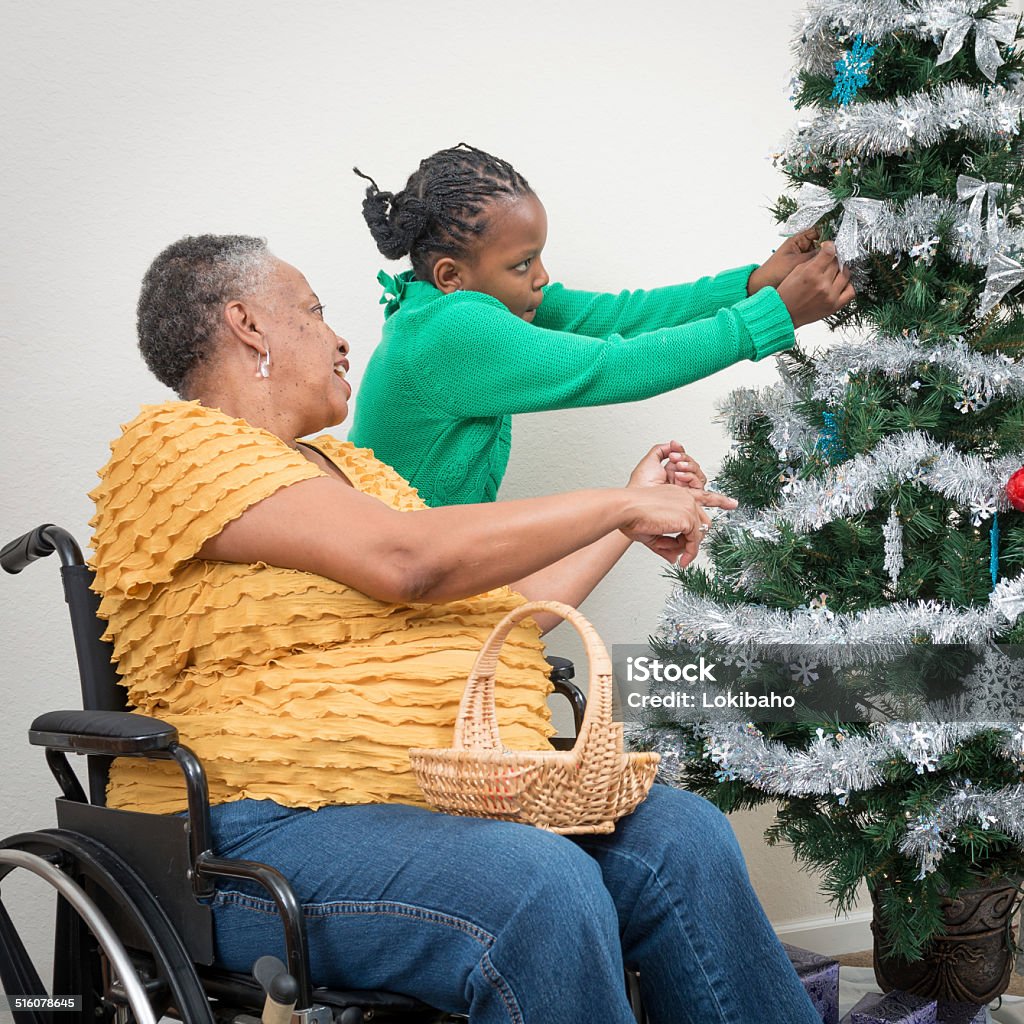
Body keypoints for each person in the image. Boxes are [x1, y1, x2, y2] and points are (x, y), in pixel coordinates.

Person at [90, 233, 822, 1024]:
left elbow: (495, 616)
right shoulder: (175, 450)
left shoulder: (359, 475)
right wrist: (618, 506)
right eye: (312, 311)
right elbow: (411, 562)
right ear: (248, 325)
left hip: (425, 795)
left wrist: (624, 520)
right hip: (247, 829)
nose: (340, 338)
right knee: (540, 885)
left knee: (682, 838)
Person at [349, 142, 854, 506]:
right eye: (523, 264)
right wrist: (772, 316)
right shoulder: (452, 330)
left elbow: (621, 317)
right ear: (451, 276)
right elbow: (612, 366)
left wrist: (753, 286)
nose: (542, 277)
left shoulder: (445, 308)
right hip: (401, 603)